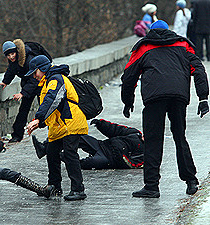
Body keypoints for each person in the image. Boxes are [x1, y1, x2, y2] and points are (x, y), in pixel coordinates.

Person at [121, 20, 209, 198]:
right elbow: (199, 69)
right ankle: (191, 181)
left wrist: (128, 101)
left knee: (153, 140)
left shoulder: (143, 48)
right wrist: (203, 98)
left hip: (154, 97)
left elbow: (129, 76)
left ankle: (152, 187)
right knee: (179, 136)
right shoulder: (183, 45)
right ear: (168, 31)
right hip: (178, 97)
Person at [26, 55, 88, 201]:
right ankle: (54, 186)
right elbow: (51, 107)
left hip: (70, 122)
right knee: (51, 152)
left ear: (42, 69)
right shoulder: (47, 81)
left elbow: (52, 100)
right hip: (59, 125)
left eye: (35, 72)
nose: (34, 76)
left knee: (70, 154)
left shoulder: (56, 79)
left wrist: (38, 119)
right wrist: (41, 122)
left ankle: (78, 189)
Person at [32, 119, 144, 170]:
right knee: (77, 137)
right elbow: (117, 130)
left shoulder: (146, 153)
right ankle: (45, 148)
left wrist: (121, 157)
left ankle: (60, 156)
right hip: (102, 145)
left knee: (85, 163)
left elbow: (132, 164)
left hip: (108, 159)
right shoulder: (135, 133)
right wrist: (101, 124)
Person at [0, 39, 51, 143]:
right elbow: (11, 71)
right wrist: (5, 82)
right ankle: (17, 135)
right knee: (23, 110)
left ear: (16, 51)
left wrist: (22, 93)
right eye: (8, 55)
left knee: (46, 110)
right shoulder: (13, 62)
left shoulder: (29, 59)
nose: (11, 57)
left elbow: (34, 80)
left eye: (12, 54)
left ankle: (53, 134)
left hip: (40, 84)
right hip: (28, 85)